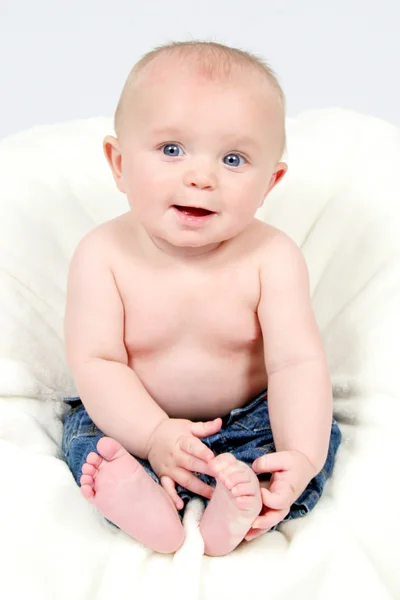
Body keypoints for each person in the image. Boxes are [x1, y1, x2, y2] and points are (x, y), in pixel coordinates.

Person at [61, 40, 341, 557]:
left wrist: (300, 453)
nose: (201, 177)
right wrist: (152, 434)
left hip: (249, 418)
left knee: (314, 439)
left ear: (269, 183)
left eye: (233, 159)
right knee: (92, 440)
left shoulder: (272, 257)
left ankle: (245, 508)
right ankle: (144, 505)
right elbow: (97, 362)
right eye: (172, 149)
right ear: (118, 163)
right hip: (134, 416)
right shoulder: (102, 254)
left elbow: (296, 364)